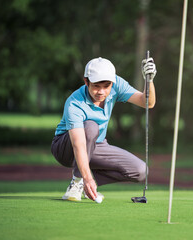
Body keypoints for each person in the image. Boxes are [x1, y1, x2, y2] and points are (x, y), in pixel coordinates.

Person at [51, 56, 156, 202]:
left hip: (96, 145)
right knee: (91, 126)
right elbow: (79, 145)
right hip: (65, 148)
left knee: (140, 171)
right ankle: (77, 183)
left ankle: (88, 181)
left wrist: (149, 81)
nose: (101, 92)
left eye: (106, 86)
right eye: (96, 86)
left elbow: (147, 103)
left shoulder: (116, 84)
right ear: (86, 81)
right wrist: (85, 178)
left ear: (112, 83)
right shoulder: (74, 103)